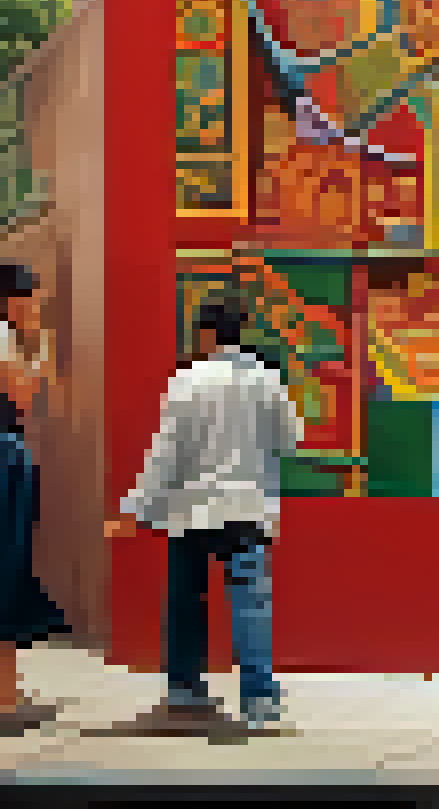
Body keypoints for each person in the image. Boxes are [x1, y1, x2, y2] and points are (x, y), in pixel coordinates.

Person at [108, 296, 303, 734]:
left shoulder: (188, 380)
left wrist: (136, 508)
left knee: (186, 601)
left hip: (193, 510)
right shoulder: (268, 379)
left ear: (207, 333)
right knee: (250, 603)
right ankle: (258, 700)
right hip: (249, 508)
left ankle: (185, 692)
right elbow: (291, 440)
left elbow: (166, 453)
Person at [0, 264, 65, 731]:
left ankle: (9, 687)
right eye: (34, 301)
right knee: (8, 567)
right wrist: (39, 345)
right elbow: (22, 394)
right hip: (2, 453)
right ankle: (5, 697)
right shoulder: (2, 333)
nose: (38, 309)